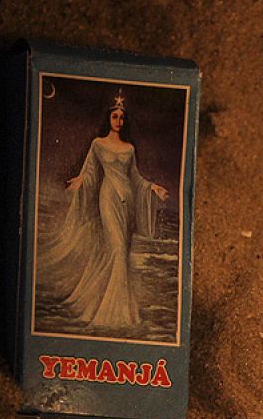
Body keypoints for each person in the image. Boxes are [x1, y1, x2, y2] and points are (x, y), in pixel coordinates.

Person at [37, 90, 169, 331]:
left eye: (121, 117)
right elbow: (89, 171)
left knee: (122, 252)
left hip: (127, 201)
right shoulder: (98, 144)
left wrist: (153, 187)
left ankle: (123, 311)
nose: (118, 121)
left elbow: (135, 177)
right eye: (114, 116)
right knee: (117, 248)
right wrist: (79, 181)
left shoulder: (129, 149)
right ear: (108, 119)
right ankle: (108, 312)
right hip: (108, 198)